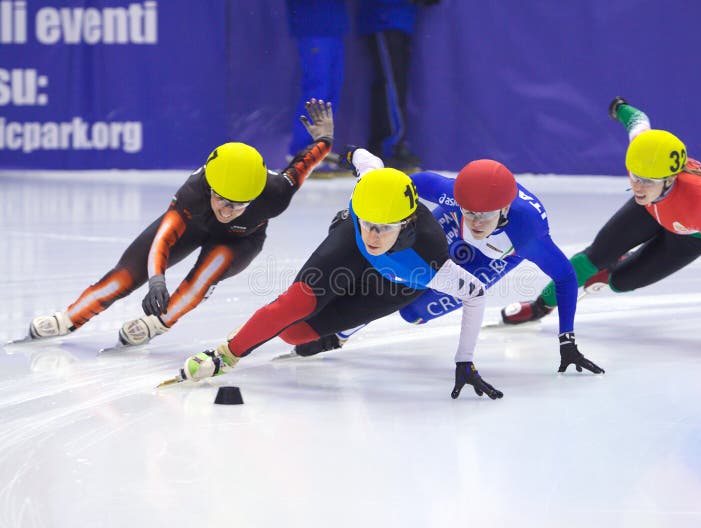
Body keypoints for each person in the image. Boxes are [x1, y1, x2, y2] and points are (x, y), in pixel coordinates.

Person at [26, 100, 335, 347]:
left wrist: (324, 140)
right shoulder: (193, 192)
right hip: (193, 225)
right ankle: (67, 317)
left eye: (238, 204)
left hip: (239, 241)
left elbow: (302, 165)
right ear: (209, 188)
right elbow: (163, 238)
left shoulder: (275, 193)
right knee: (124, 276)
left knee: (202, 278)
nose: (226, 211)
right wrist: (157, 279)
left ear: (254, 199)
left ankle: (156, 324)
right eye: (221, 199)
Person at [179, 167, 503, 400]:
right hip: (350, 248)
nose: (374, 236)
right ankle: (229, 353)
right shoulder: (369, 185)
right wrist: (226, 355)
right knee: (293, 313)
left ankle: (339, 335)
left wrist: (465, 360)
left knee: (297, 334)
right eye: (367, 223)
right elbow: (362, 157)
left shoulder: (431, 262)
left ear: (406, 224)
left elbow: (476, 295)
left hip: (399, 278)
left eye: (384, 228)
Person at [293, 148, 605, 374]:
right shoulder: (450, 194)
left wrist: (567, 341)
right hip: (450, 227)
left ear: (506, 210)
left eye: (484, 216)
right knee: (401, 269)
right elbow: (390, 187)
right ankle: (342, 332)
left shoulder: (530, 236)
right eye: (469, 211)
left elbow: (565, 278)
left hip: (498, 255)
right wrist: (359, 212)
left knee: (412, 313)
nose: (476, 222)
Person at [502, 97, 701, 350]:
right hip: (652, 210)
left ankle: (611, 271)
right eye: (634, 176)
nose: (637, 186)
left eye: (647, 181)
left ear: (670, 179)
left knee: (621, 282)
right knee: (592, 257)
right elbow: (638, 121)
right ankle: (541, 305)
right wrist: (619, 106)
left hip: (689, 235)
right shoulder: (645, 156)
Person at [358, 0, 439, 169]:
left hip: (401, 21)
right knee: (391, 86)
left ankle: (384, 145)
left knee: (393, 86)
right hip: (384, 20)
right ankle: (389, 146)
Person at [285, 0, 348, 162]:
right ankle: (302, 150)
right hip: (313, 26)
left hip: (334, 26)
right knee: (317, 89)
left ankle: (321, 147)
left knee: (332, 91)